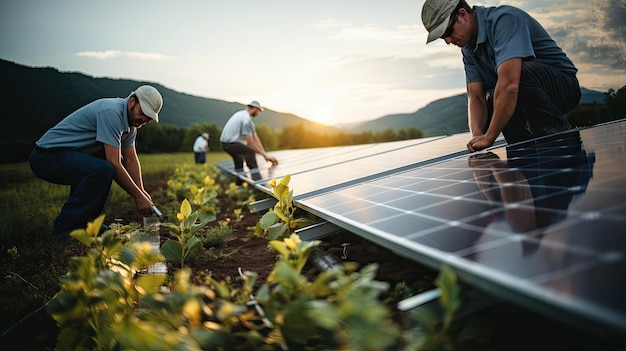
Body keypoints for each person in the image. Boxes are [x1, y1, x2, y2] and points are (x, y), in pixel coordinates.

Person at [421, 0, 581, 152]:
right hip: (523, 98)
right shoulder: (468, 50)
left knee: (515, 77)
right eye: (443, 38)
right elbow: (476, 97)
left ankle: (558, 138)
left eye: (448, 32)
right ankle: (524, 158)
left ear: (462, 15)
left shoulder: (505, 20)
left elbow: (510, 84)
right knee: (494, 100)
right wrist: (477, 137)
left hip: (562, 88)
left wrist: (490, 137)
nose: (448, 41)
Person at [29, 85, 162, 236]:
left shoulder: (131, 126)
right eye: (143, 112)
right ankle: (65, 227)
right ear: (132, 102)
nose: (145, 119)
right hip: (47, 156)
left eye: (149, 118)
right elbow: (114, 162)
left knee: (103, 165)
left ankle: (89, 223)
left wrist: (142, 192)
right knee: (104, 169)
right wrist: (138, 197)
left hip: (71, 155)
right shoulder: (111, 112)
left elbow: (130, 159)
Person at [219, 100, 278, 185]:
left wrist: (265, 155)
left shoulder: (241, 115)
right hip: (230, 144)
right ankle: (259, 183)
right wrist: (265, 156)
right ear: (255, 109)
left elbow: (256, 139)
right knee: (249, 152)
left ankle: (240, 184)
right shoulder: (246, 120)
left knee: (239, 160)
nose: (258, 113)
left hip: (225, 144)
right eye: (259, 111)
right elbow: (251, 144)